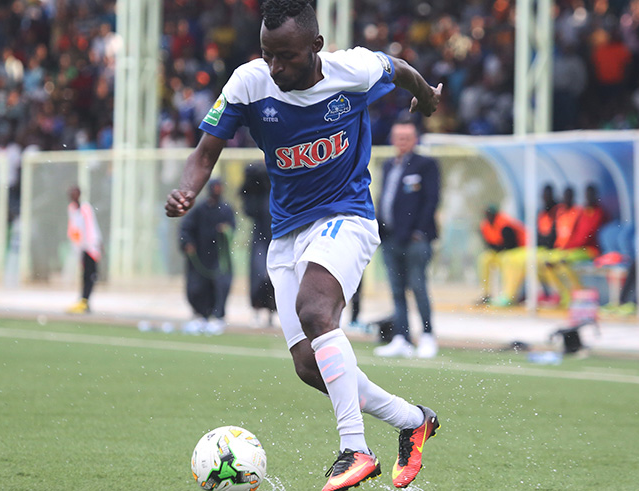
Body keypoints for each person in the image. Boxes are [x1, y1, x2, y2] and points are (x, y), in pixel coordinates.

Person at [165, 2, 442, 489]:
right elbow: (206, 152)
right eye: (267, 54)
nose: (275, 67)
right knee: (311, 366)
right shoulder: (249, 82)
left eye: (287, 56)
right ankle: (412, 420)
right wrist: (187, 190)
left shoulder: (352, 70)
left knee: (316, 311)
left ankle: (355, 448)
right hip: (288, 232)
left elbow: (399, 68)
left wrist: (426, 96)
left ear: (316, 47)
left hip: (346, 217)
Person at [373, 120, 440, 359]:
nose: (402, 142)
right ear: (392, 139)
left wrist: (418, 231)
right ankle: (402, 337)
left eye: (407, 137)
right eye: (398, 137)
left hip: (415, 240)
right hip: (390, 238)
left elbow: (431, 199)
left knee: (419, 287)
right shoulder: (389, 165)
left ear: (415, 139)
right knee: (397, 291)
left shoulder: (426, 165)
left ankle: (428, 336)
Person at [179, 179, 236, 335]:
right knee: (197, 287)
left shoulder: (226, 209)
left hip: (219, 257)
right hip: (200, 256)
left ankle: (218, 317)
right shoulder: (199, 210)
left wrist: (226, 230)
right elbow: (186, 228)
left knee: (221, 285)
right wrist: (187, 243)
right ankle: (200, 315)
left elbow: (232, 228)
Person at [494, 184, 560, 307]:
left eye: (548, 194)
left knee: (528, 261)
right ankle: (509, 294)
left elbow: (554, 236)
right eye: (543, 195)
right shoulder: (542, 213)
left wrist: (543, 241)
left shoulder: (557, 212)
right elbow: (538, 234)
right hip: (539, 248)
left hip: (551, 250)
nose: (545, 197)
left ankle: (554, 293)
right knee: (509, 258)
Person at [543, 184, 606, 307]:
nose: (588, 198)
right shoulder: (583, 212)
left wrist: (569, 246)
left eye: (591, 195)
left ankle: (579, 293)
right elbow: (575, 233)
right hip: (575, 249)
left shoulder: (598, 213)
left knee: (563, 261)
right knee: (548, 263)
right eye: (587, 195)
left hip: (590, 250)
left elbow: (586, 236)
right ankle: (565, 294)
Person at [241, 164, 277, 328]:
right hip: (260, 238)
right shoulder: (258, 193)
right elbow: (248, 206)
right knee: (258, 274)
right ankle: (256, 310)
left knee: (274, 276)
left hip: (277, 236)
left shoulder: (277, 190)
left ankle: (272, 312)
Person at [475, 204, 526, 306]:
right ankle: (486, 293)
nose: (488, 217)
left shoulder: (505, 225)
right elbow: (488, 244)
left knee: (508, 260)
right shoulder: (485, 226)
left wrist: (499, 248)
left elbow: (512, 244)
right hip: (499, 252)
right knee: (484, 259)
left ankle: (509, 296)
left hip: (516, 251)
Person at [66, 186, 102, 314]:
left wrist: (95, 245)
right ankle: (83, 300)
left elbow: (92, 227)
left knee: (90, 275)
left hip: (91, 246)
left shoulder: (85, 208)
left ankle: (85, 300)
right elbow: (74, 229)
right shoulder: (72, 209)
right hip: (82, 247)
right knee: (85, 275)